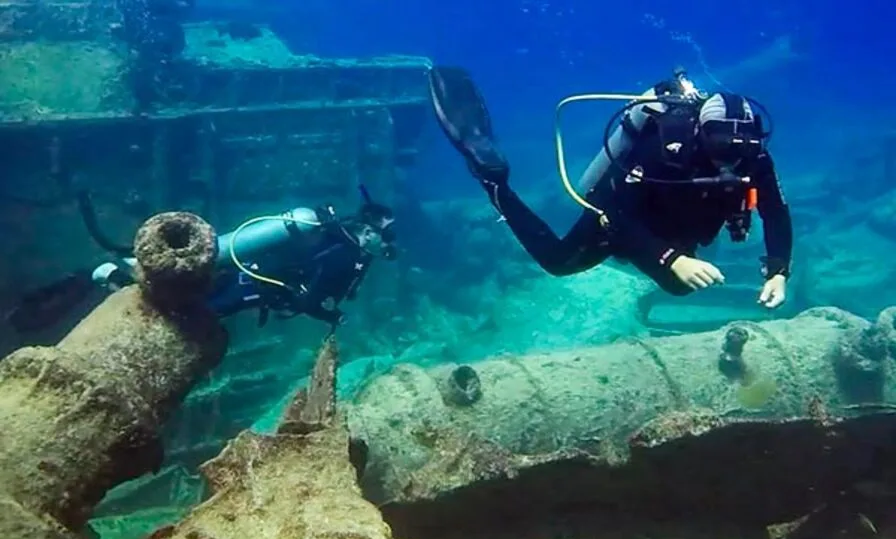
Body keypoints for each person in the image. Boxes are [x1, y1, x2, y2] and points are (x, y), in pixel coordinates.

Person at [427, 66, 793, 308]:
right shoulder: (665, 147)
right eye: (720, 151)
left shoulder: (753, 156)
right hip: (620, 213)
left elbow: (775, 210)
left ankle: (657, 255)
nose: (729, 162)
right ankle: (494, 180)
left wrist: (779, 270)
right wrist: (671, 258)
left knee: (681, 286)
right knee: (557, 261)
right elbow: (616, 213)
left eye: (740, 152)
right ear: (700, 135)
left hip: (676, 219)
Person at [6, 186, 396, 333]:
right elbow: (308, 297)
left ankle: (110, 272)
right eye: (386, 238)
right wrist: (328, 314)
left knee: (183, 293)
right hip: (251, 284)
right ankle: (108, 276)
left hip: (249, 274)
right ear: (369, 232)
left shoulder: (335, 239)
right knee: (181, 314)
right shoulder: (345, 254)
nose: (387, 247)